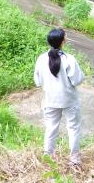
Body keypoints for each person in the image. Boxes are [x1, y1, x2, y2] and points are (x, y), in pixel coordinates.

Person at [33, 27, 85, 167]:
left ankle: (48, 156)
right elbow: (77, 80)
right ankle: (74, 159)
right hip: (69, 99)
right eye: (65, 37)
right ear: (63, 41)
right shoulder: (69, 59)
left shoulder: (41, 59)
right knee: (73, 128)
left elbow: (37, 81)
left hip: (50, 99)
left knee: (51, 128)